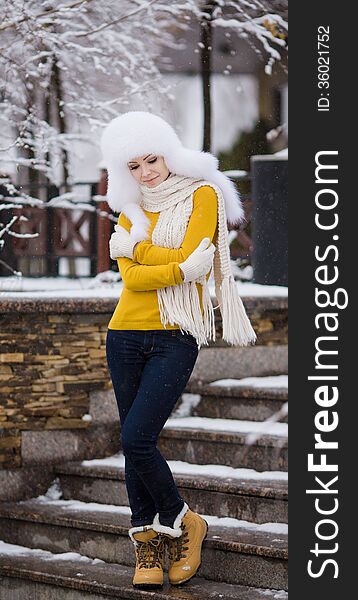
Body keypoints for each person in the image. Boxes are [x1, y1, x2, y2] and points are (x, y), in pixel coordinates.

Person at [100, 111, 256, 589]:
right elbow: (135, 277)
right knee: (133, 447)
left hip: (175, 334)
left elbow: (198, 259)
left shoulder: (202, 193)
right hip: (124, 333)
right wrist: (170, 264)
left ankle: (184, 520)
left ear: (168, 152)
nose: (147, 172)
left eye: (152, 159)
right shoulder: (132, 204)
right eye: (135, 166)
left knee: (136, 439)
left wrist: (139, 249)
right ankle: (147, 544)